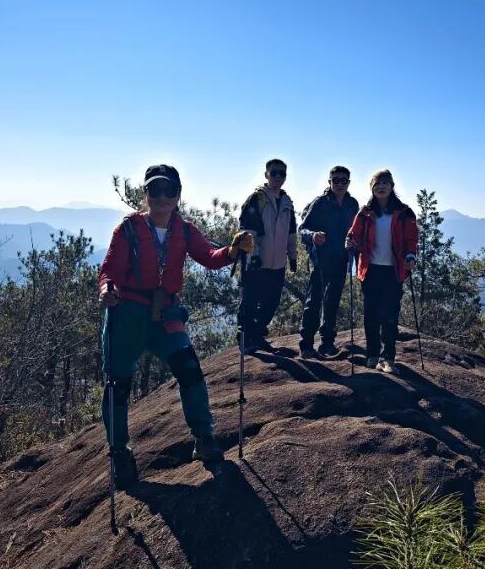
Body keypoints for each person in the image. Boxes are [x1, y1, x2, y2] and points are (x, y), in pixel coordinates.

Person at [98, 164, 253, 488]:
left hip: (166, 312)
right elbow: (110, 269)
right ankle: (119, 453)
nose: (162, 196)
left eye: (169, 190)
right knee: (118, 385)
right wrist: (107, 290)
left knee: (189, 368)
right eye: (155, 190)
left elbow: (209, 256)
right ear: (146, 194)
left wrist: (232, 251)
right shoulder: (128, 229)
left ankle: (204, 437)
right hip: (127, 313)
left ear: (178, 195)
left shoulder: (184, 230)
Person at [345, 170, 418, 374]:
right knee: (371, 315)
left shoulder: (404, 212)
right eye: (377, 184)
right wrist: (349, 241)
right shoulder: (365, 212)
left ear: (392, 186)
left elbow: (411, 239)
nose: (381, 187)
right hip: (370, 270)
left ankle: (388, 358)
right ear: (372, 188)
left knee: (390, 315)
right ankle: (373, 355)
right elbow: (353, 234)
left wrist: (411, 256)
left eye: (385, 183)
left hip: (394, 270)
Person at [297, 165, 359, 358]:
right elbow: (302, 230)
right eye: (336, 180)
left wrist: (354, 244)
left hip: (341, 260)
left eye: (344, 180)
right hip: (320, 260)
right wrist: (313, 235)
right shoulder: (320, 203)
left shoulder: (352, 204)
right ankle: (306, 345)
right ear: (329, 182)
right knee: (314, 301)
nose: (340, 184)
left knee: (332, 302)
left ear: (349, 183)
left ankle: (327, 344)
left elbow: (357, 230)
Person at [237, 159, 298, 353]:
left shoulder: (287, 202)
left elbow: (291, 232)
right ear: (266, 175)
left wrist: (293, 256)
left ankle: (257, 335)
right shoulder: (257, 199)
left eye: (282, 173)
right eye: (274, 173)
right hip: (257, 262)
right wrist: (253, 255)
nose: (278, 177)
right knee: (250, 301)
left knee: (271, 302)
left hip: (278, 263)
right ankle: (245, 339)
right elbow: (248, 231)